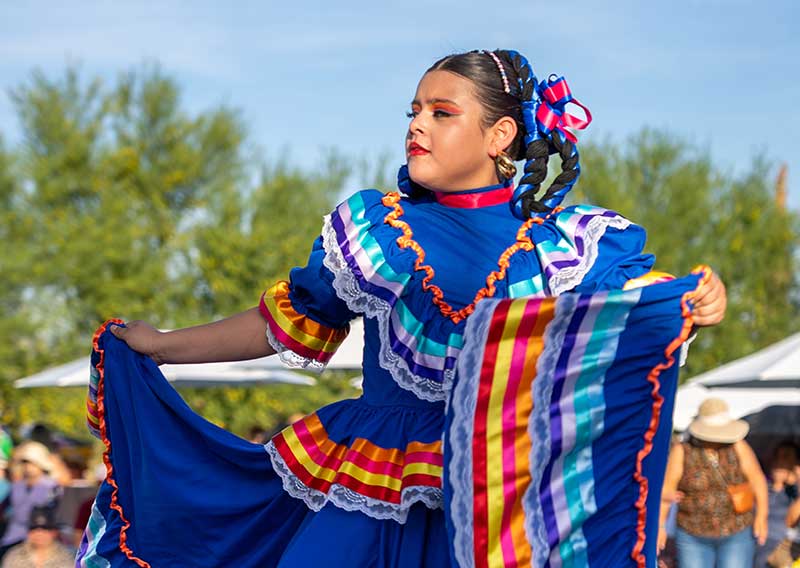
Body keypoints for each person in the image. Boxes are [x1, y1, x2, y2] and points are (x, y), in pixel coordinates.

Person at [89, 49, 727, 566]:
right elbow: (281, 323)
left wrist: (702, 300)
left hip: (496, 490)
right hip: (371, 473)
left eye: (441, 113)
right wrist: (162, 345)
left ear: (500, 134)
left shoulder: (569, 246)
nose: (417, 125)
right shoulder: (375, 232)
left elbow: (646, 310)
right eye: (414, 111)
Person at [659, 397, 768, 567]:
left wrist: (762, 516)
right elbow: (667, 492)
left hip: (737, 530)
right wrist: (660, 527)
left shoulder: (738, 446)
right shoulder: (682, 451)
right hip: (692, 533)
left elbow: (757, 480)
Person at [0, 442, 60, 559]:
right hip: (13, 535)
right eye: (25, 463)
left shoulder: (52, 486)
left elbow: (54, 512)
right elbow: (3, 509)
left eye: (31, 463)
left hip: (41, 535)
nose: (28, 467)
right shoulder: (16, 486)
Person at [0, 506, 74, 568]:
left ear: (54, 532)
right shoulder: (13, 556)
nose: (39, 533)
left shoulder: (67, 558)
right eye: (33, 528)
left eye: (45, 528)